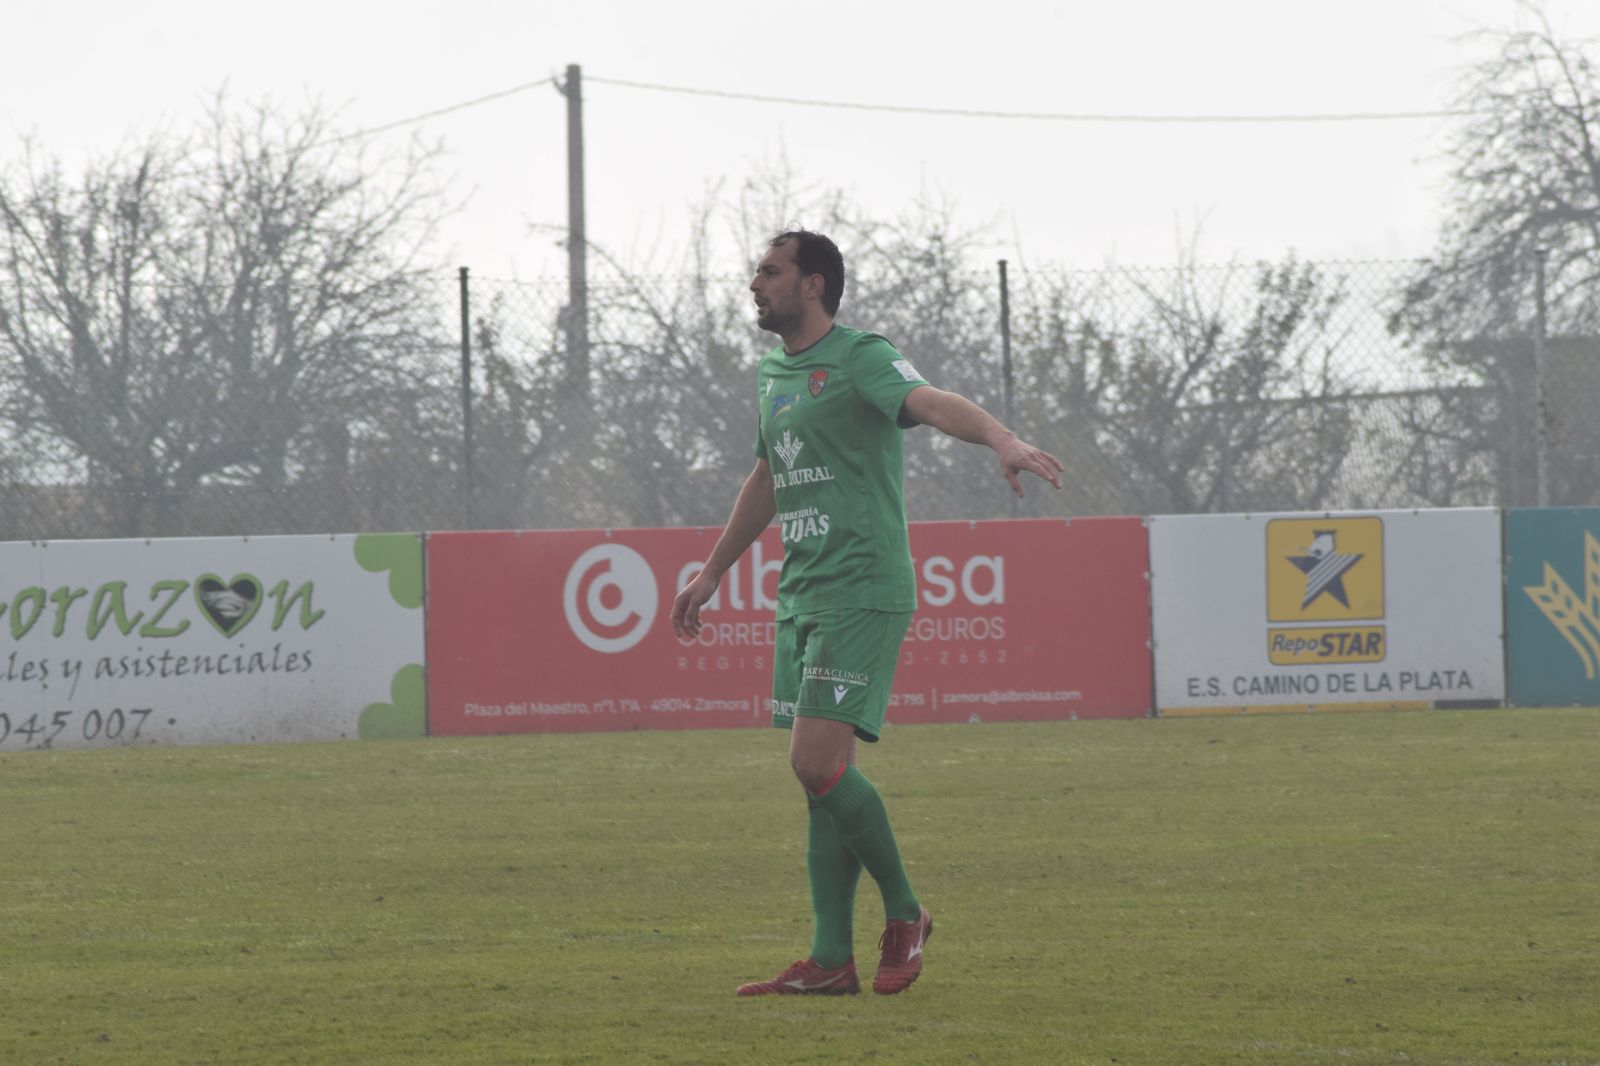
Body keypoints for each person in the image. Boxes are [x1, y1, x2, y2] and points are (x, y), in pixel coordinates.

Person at [670, 230, 1063, 997]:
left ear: (813, 285)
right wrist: (714, 570)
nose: (754, 282)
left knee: (814, 763)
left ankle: (907, 912)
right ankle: (827, 960)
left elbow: (930, 401)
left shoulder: (860, 356)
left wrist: (1000, 437)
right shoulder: (773, 372)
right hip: (805, 590)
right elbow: (768, 477)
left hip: (863, 583)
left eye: (770, 271)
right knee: (825, 779)